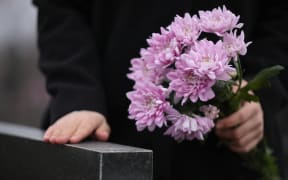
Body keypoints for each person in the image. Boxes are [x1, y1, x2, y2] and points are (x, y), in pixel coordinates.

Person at [32, 0, 288, 179]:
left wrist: (259, 90)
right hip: (103, 134)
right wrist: (77, 95)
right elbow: (60, 6)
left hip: (235, 149)